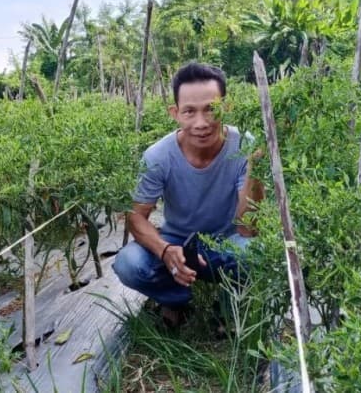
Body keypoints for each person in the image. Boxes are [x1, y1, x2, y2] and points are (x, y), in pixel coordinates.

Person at [112, 62, 263, 327]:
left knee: (255, 252)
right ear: (175, 113)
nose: (201, 123)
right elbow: (136, 217)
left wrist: (255, 165)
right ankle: (177, 299)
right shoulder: (158, 156)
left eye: (211, 109)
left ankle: (229, 303)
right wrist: (166, 250)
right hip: (178, 242)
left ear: (226, 107)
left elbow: (248, 230)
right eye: (189, 112)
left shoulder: (245, 145)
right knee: (129, 263)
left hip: (227, 243)